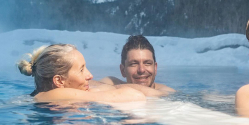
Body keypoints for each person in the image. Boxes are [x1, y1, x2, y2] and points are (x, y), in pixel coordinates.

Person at [18, 43, 147, 103]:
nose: (90, 75)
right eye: (81, 69)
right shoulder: (53, 95)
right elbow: (135, 96)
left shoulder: (45, 96)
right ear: (59, 81)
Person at [98, 35, 174, 94]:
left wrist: (115, 88)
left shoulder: (167, 93)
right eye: (134, 64)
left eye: (147, 63)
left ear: (155, 68)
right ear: (122, 70)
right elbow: (91, 86)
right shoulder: (113, 83)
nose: (141, 70)